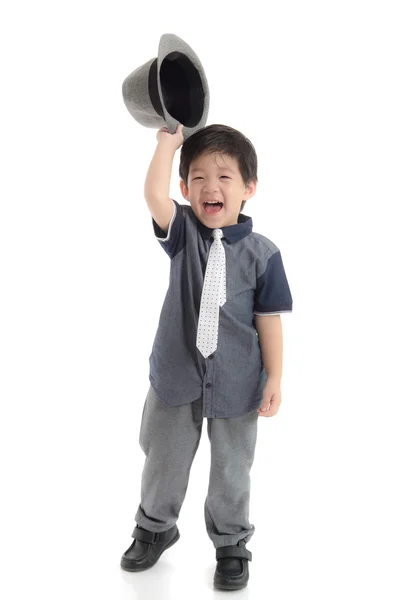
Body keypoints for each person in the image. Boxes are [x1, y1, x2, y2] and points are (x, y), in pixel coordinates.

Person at [120, 123, 293, 591]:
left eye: (224, 177)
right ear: (184, 188)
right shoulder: (182, 234)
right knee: (163, 458)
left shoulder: (264, 255)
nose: (210, 187)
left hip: (238, 380)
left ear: (248, 189)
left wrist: (274, 376)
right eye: (197, 178)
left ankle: (231, 542)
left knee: (233, 467)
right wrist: (167, 145)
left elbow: (269, 320)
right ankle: (154, 527)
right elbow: (153, 195)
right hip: (177, 375)